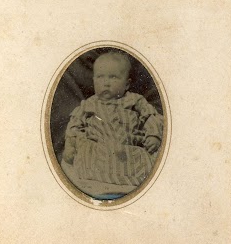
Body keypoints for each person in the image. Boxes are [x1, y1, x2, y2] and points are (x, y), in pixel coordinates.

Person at [62, 51, 163, 191]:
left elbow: (151, 116)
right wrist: (71, 143)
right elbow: (75, 124)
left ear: (127, 84)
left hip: (128, 150)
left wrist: (153, 135)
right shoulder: (89, 104)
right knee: (85, 152)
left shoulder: (134, 100)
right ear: (93, 80)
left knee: (143, 159)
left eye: (113, 77)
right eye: (100, 77)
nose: (106, 83)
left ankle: (125, 183)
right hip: (97, 150)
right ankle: (97, 182)